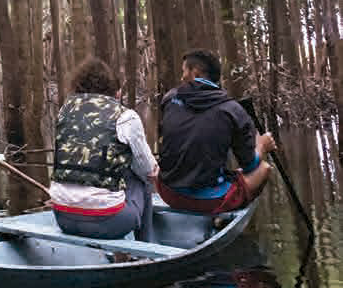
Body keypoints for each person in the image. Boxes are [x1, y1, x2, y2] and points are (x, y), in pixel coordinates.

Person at [50, 56, 158, 241]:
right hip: (108, 222)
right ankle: (145, 251)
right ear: (116, 92)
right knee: (142, 180)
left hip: (63, 217)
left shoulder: (64, 110)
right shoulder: (126, 116)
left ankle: (121, 253)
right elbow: (148, 170)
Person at [157, 49, 274, 214]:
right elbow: (249, 166)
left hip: (167, 192)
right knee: (264, 168)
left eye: (184, 71)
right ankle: (221, 213)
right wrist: (262, 146)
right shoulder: (233, 109)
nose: (182, 77)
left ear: (195, 72)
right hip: (209, 202)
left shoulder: (169, 98)